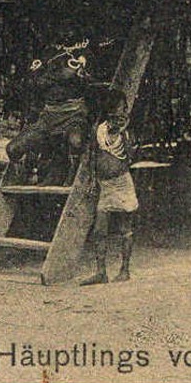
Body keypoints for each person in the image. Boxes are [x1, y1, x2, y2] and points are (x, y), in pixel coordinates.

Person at [6, 40, 100, 184]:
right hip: (48, 117)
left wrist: (50, 75)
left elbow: (66, 75)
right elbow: (34, 82)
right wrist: (57, 76)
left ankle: (73, 178)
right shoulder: (46, 52)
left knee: (76, 142)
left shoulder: (84, 50)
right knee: (13, 149)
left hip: (74, 114)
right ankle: (27, 178)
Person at [80, 88, 137, 285]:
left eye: (124, 108)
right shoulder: (99, 129)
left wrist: (122, 132)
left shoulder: (127, 132)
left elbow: (129, 157)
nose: (123, 111)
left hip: (122, 183)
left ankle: (125, 269)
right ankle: (101, 272)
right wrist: (92, 179)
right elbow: (92, 155)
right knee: (99, 230)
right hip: (105, 185)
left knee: (125, 228)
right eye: (120, 107)